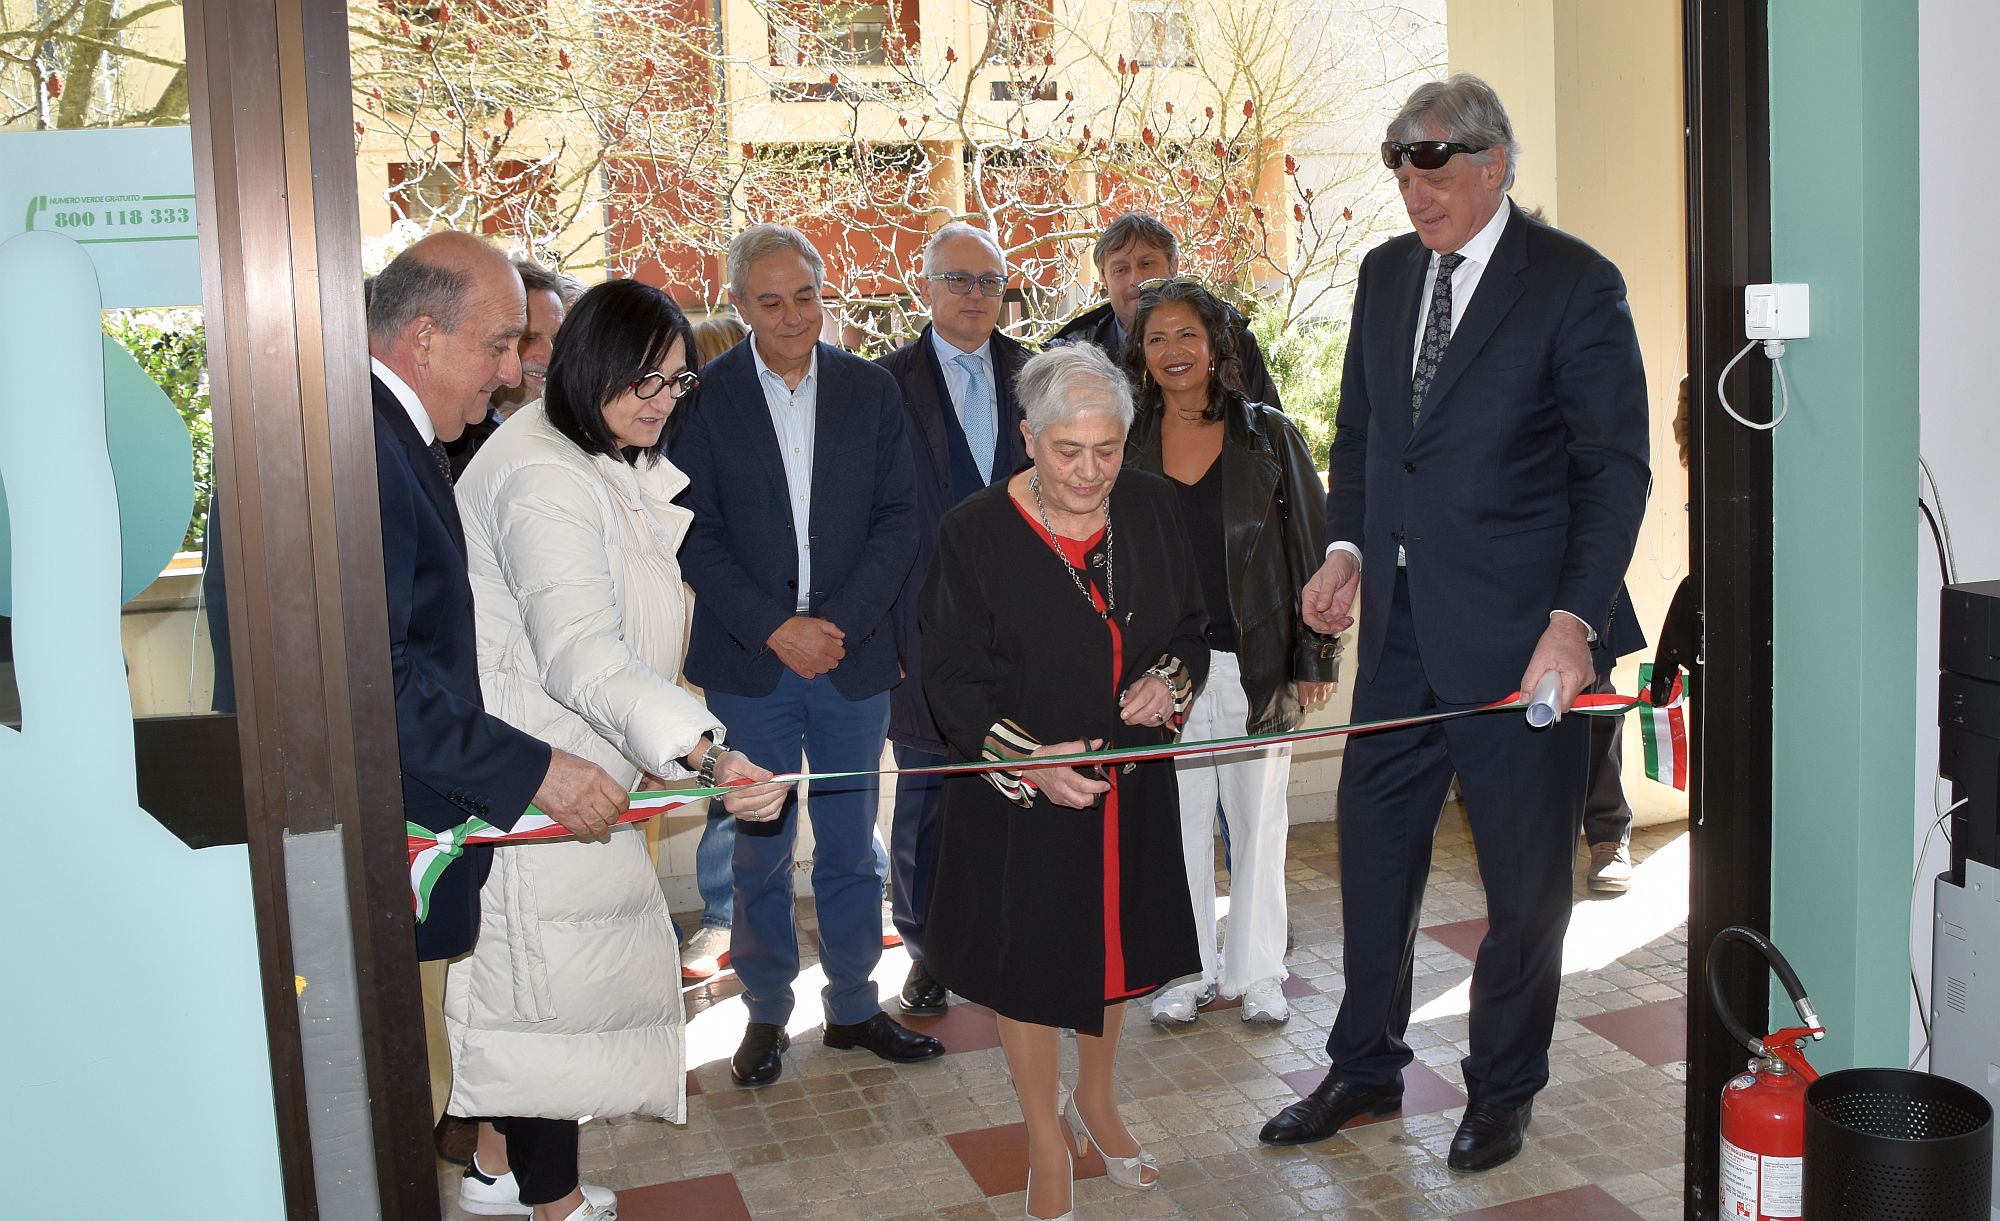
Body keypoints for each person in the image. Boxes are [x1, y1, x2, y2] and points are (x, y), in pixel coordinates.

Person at [1259, 75, 1649, 1173]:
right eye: (1395, 160)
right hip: (1397, 640)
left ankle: (1501, 1089)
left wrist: (1572, 622)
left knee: (1524, 884)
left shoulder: (1572, 285)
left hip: (1524, 646)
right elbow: (1368, 432)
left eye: (1428, 160)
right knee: (1374, 856)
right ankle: (1363, 1068)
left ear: (1492, 163)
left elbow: (1611, 471)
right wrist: (1343, 550)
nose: (1408, 184)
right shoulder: (1385, 275)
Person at [441, 278, 788, 1221]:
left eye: (677, 383)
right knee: (543, 992)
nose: (661, 401)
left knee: (535, 985)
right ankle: (548, 1200)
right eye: (643, 378)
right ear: (589, 361)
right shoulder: (546, 476)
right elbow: (581, 652)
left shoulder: (593, 457)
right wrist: (711, 758)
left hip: (576, 761)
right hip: (542, 768)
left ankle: (496, 1168)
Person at [921, 344, 1208, 1221]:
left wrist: (1171, 681)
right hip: (1025, 794)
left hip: (1128, 780)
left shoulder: (1154, 507)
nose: (1090, 473)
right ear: (1028, 439)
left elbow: (1190, 627)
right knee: (1036, 964)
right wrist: (1031, 761)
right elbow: (950, 684)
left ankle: (1098, 1101)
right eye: (1067, 452)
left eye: (1109, 450)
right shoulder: (973, 531)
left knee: (1113, 954)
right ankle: (1044, 1138)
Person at [365, 233, 630, 1137]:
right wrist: (536, 771)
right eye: (499, 344)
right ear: (426, 336)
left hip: (411, 817)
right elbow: (378, 678)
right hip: (381, 840)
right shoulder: (363, 443)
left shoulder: (387, 428)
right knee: (394, 1100)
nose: (513, 371)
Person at [673, 224, 941, 1087]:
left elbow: (902, 519)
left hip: (851, 659)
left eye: (806, 296)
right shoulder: (701, 399)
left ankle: (857, 1005)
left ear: (826, 294)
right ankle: (763, 1012)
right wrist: (775, 627)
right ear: (740, 306)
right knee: (756, 846)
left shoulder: (871, 390)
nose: (792, 316)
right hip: (752, 663)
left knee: (849, 847)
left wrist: (839, 625)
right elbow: (694, 536)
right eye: (770, 300)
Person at [1119, 279, 1339, 1027]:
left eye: (1187, 335)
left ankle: (1257, 970)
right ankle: (1184, 969)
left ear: (1215, 345)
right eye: (1157, 339)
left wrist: (1315, 657)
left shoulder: (1269, 435)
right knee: (1173, 823)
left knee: (1258, 823)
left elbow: (1313, 550)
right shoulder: (1125, 441)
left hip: (1255, 661)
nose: (1173, 352)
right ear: (1140, 354)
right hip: (1164, 670)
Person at [874, 221, 1031, 1017]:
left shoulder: (1038, 375)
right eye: (958, 280)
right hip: (920, 628)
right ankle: (927, 949)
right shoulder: (879, 383)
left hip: (1023, 633)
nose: (974, 296)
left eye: (988, 282)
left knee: (1018, 787)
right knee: (929, 797)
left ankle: (1010, 935)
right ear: (925, 288)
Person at [1047, 211, 1283, 410]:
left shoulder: (1232, 340)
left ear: (1173, 267)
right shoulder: (1076, 356)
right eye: (1120, 270)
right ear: (1104, 279)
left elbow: (1270, 440)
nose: (1135, 280)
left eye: (1146, 264)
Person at [445, 259, 582, 480]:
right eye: (529, 339)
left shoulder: (574, 432)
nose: (549, 356)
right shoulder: (447, 439)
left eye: (557, 340)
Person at [1582, 584, 1646, 893]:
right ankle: (1526, 839)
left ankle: (1608, 834)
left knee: (1594, 711)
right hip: (1494, 589)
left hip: (1578, 576)